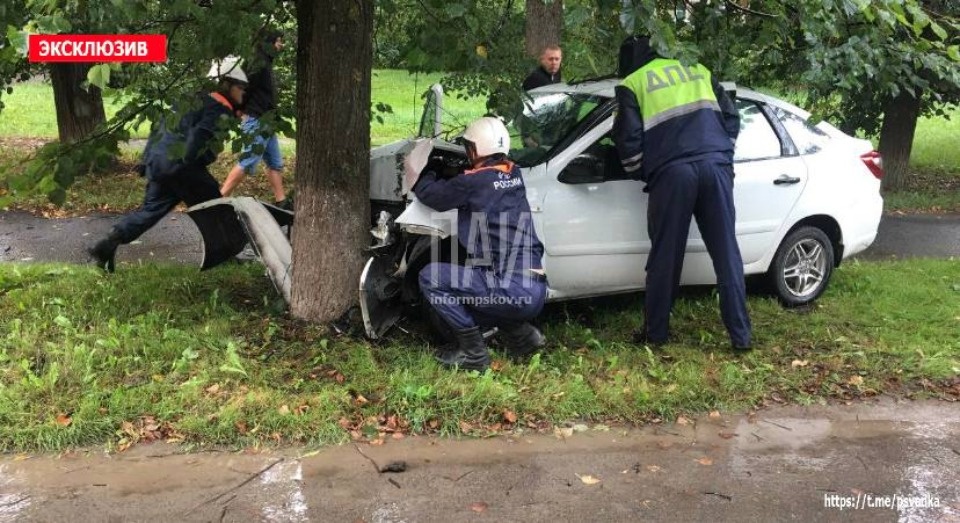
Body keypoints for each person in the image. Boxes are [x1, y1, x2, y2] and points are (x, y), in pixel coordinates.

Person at [612, 36, 752, 351]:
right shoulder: (698, 69)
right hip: (715, 167)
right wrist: (721, 155)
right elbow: (731, 118)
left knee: (665, 256)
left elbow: (628, 142)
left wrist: (645, 172)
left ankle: (656, 334)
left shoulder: (632, 83)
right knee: (727, 253)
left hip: (673, 174)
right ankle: (741, 337)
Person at [87, 57, 248, 272]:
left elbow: (159, 127)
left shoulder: (188, 99)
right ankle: (223, 256)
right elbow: (202, 136)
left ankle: (108, 244)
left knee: (150, 211)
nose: (243, 93)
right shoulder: (219, 105)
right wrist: (196, 162)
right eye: (241, 87)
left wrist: (146, 162)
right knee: (217, 209)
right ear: (227, 85)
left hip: (159, 163)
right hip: (183, 167)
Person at [414, 117, 548, 371]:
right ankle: (523, 336)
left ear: (474, 150)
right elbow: (486, 184)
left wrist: (430, 170)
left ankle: (473, 354)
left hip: (513, 290)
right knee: (477, 284)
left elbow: (432, 194)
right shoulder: (514, 173)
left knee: (431, 277)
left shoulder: (473, 183)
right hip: (536, 290)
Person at [219, 31, 290, 209]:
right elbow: (244, 88)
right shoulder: (258, 62)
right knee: (249, 160)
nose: (281, 45)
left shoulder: (265, 61)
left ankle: (281, 202)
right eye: (279, 42)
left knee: (275, 163)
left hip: (267, 120)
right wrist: (239, 109)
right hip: (257, 119)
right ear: (269, 42)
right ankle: (218, 199)